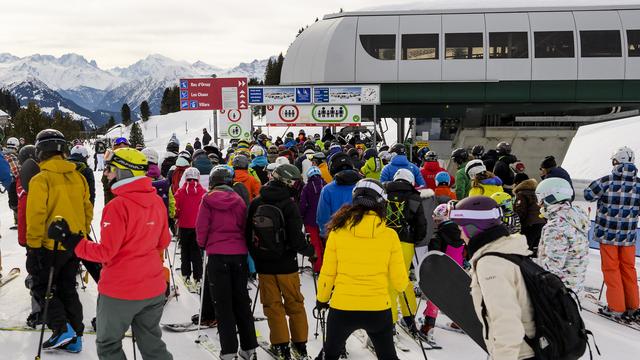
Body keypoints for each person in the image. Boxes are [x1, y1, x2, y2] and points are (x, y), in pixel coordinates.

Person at [50, 148, 173, 359]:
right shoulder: (155, 201)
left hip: (120, 292)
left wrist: (70, 239)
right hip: (153, 289)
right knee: (152, 343)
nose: (106, 173)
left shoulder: (117, 206)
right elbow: (163, 241)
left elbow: (105, 253)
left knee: (108, 344)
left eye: (110, 169)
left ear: (125, 172)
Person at [316, 178, 408, 360]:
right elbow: (400, 282)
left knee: (330, 354)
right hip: (378, 309)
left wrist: (322, 299)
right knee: (388, 356)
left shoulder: (337, 232)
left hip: (342, 307)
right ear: (381, 203)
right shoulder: (390, 235)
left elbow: (328, 272)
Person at [26, 129, 92, 351]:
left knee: (40, 285)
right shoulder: (78, 176)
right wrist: (80, 234)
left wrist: (33, 248)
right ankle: (76, 337)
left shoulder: (40, 179)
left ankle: (61, 327)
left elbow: (36, 215)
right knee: (67, 288)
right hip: (74, 243)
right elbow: (87, 209)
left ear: (40, 151)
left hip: (49, 245)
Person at [449, 196, 535, 360]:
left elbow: (507, 324)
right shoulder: (506, 248)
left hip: (520, 354)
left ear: (473, 228)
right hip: (529, 348)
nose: (460, 235)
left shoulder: (491, 263)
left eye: (461, 227)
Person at [246, 164, 316, 359]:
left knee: (272, 306)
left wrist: (258, 255)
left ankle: (281, 345)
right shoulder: (289, 204)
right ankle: (300, 345)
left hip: (265, 265)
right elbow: (296, 239)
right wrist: (311, 251)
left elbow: (247, 235)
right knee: (294, 303)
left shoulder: (256, 202)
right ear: (287, 182)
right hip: (287, 265)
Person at [196, 165, 259, 360]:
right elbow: (244, 226)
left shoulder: (207, 200)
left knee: (223, 304)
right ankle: (249, 348)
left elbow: (202, 227)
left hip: (217, 256)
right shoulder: (238, 200)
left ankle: (229, 350)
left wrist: (204, 243)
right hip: (238, 254)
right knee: (241, 301)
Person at [584, 146, 640, 319]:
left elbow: (588, 195)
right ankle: (633, 306)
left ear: (616, 161)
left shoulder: (606, 181)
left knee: (611, 269)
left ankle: (616, 307)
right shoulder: (639, 184)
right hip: (628, 237)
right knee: (629, 269)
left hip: (608, 235)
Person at [384, 169, 427, 336]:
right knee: (403, 280)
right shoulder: (415, 197)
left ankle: (391, 322)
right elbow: (421, 224)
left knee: (389, 283)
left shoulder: (384, 193)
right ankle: (409, 318)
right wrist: (416, 240)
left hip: (386, 241)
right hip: (406, 243)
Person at [536, 177, 589, 296]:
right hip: (573, 289)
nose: (538, 203)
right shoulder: (574, 218)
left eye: (540, 198)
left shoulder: (556, 227)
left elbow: (551, 267)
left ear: (550, 197)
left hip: (557, 293)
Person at [421, 203, 465, 341]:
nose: (436, 223)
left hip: (441, 270)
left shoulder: (438, 235)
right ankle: (459, 322)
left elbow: (433, 254)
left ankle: (429, 326)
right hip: (457, 270)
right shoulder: (462, 234)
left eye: (437, 221)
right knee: (455, 296)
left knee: (434, 298)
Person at [174, 167, 206, 290]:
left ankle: (186, 274)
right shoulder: (203, 192)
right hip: (197, 226)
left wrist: (177, 216)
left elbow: (176, 209)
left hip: (184, 226)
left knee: (185, 251)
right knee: (196, 252)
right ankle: (198, 277)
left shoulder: (181, 192)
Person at [316, 153, 361, 239]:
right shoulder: (363, 185)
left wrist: (326, 236)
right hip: (362, 237)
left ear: (331, 169)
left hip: (337, 237)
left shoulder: (327, 190)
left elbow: (322, 218)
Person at [299, 166, 327, 274]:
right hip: (326, 220)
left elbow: (303, 205)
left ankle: (318, 267)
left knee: (315, 244)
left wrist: (301, 216)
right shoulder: (326, 185)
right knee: (325, 243)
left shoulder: (307, 187)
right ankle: (327, 266)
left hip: (310, 221)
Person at [513, 174, 546, 255]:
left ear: (517, 183)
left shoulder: (521, 194)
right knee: (536, 251)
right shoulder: (537, 192)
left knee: (525, 251)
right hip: (541, 223)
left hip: (530, 225)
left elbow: (520, 212)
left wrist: (515, 224)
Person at [3, 136, 20, 230]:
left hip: (8, 182)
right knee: (17, 200)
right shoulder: (11, 156)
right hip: (14, 182)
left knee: (13, 200)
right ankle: (19, 221)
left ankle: (17, 221)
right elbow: (16, 171)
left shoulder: (4, 154)